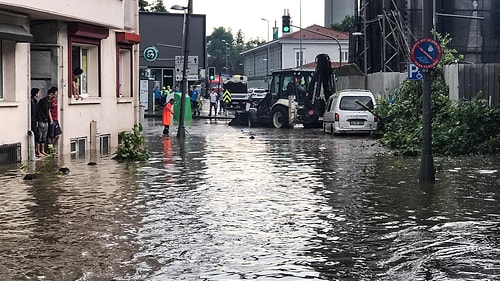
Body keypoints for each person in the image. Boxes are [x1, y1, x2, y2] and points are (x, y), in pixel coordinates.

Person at [36, 88, 53, 156]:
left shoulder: (50, 102)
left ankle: (42, 150)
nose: (51, 96)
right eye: (50, 94)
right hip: (40, 120)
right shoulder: (42, 101)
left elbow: (48, 110)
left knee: (44, 136)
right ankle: (38, 151)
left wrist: (50, 119)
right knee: (39, 135)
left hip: (46, 120)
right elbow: (38, 110)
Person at [47, 87, 62, 151]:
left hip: (56, 119)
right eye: (55, 92)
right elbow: (48, 110)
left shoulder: (56, 100)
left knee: (57, 135)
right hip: (52, 119)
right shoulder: (50, 102)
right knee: (50, 135)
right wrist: (51, 119)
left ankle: (52, 145)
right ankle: (50, 148)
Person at [30, 88, 41, 157]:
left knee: (37, 135)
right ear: (36, 93)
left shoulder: (34, 101)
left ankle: (37, 150)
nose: (39, 94)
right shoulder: (32, 101)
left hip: (34, 120)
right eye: (38, 93)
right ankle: (36, 151)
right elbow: (34, 112)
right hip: (33, 120)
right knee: (37, 135)